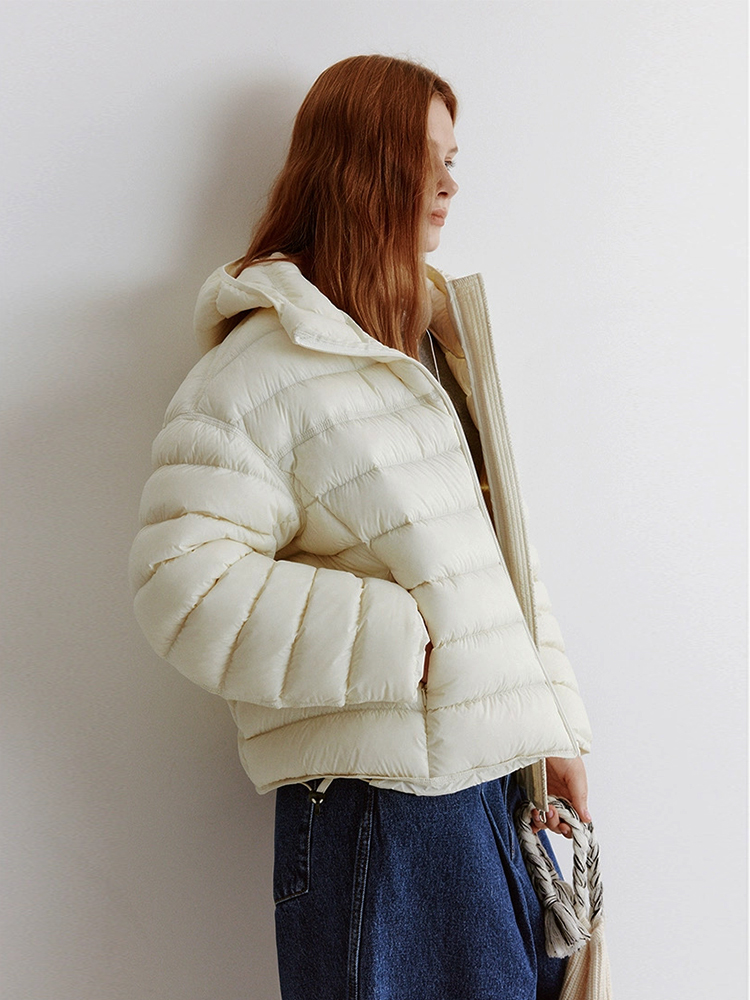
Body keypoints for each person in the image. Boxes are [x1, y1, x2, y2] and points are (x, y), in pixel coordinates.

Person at [129, 54, 594, 1000]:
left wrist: (555, 730)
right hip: (381, 813)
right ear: (358, 167)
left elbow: (502, 562)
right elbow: (181, 585)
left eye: (454, 160)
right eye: (427, 159)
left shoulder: (428, 356)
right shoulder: (258, 369)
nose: (450, 185)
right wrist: (404, 640)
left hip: (492, 793)